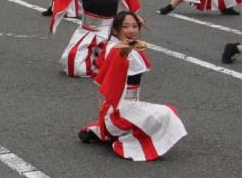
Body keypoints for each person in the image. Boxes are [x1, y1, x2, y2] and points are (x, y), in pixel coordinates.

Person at [23, 0, 166, 78]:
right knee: (74, 65)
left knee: (122, 64)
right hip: (87, 30)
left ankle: (109, 63)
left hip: (111, 33)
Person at [75, 12, 187, 161]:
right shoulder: (114, 48)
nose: (132, 30)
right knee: (165, 113)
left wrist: (133, 29)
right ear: (115, 30)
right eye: (125, 27)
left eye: (135, 26)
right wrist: (125, 51)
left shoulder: (133, 47)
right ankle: (123, 142)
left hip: (130, 108)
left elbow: (131, 43)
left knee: (169, 111)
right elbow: (119, 56)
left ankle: (101, 133)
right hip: (117, 111)